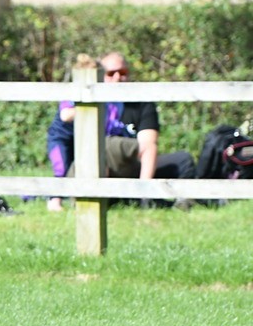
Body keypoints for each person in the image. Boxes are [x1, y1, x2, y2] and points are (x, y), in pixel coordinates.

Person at [46, 52, 197, 210]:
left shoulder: (139, 101)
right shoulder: (87, 95)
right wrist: (88, 107)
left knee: (183, 160)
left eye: (123, 73)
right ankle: (59, 200)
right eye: (111, 73)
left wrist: (143, 189)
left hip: (132, 163)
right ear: (100, 75)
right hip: (97, 164)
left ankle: (169, 202)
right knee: (75, 161)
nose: (118, 77)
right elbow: (65, 116)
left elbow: (148, 143)